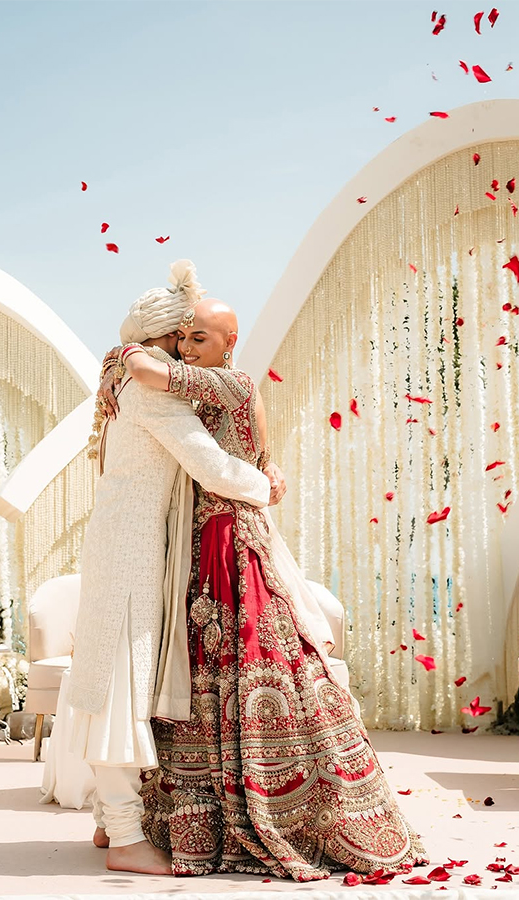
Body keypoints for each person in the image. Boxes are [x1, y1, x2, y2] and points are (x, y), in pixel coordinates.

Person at [117, 297, 428, 881]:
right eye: (183, 338)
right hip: (206, 536)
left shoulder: (228, 383)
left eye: (200, 338)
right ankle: (200, 811)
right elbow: (258, 450)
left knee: (258, 653)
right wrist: (269, 471)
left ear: (229, 343)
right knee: (208, 664)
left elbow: (145, 373)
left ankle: (289, 806)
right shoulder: (216, 387)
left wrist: (126, 347)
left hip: (229, 536)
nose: (187, 348)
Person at [66, 261, 275, 876]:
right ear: (163, 341)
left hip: (123, 546)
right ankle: (128, 838)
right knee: (119, 689)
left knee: (113, 678)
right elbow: (212, 467)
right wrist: (269, 484)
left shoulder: (119, 379)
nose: (185, 353)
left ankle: (109, 824)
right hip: (132, 552)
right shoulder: (149, 394)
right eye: (181, 339)